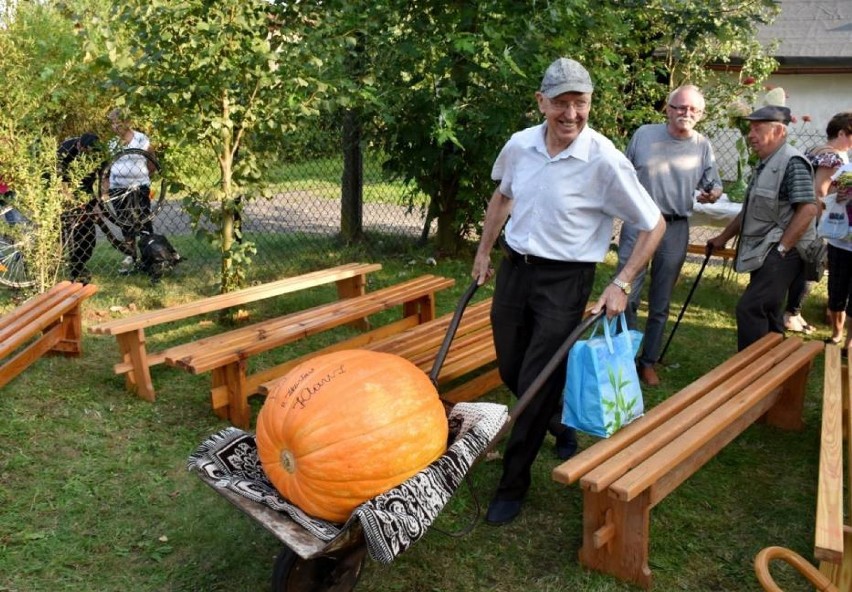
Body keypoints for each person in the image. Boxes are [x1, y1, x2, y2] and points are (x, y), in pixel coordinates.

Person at [470, 57, 665, 526]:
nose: (571, 114)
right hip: (516, 270)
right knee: (513, 366)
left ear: (590, 103)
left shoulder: (605, 161)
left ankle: (513, 483)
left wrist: (622, 282)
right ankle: (557, 420)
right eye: (561, 102)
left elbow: (653, 224)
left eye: (580, 102)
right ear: (542, 102)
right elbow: (503, 196)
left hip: (565, 280)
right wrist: (483, 252)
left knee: (535, 382)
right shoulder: (520, 146)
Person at [616, 85, 723, 386]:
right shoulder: (644, 135)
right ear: (668, 107)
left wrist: (713, 192)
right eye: (680, 107)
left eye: (693, 110)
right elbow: (622, 172)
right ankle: (623, 359)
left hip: (675, 227)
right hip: (639, 223)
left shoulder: (703, 145)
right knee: (626, 293)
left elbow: (713, 183)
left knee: (660, 301)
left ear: (700, 115)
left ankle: (648, 361)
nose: (685, 113)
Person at [707, 105, 818, 351]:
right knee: (767, 310)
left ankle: (750, 374)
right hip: (766, 249)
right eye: (750, 129)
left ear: (779, 131)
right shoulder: (766, 162)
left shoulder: (792, 162)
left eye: (758, 129)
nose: (751, 135)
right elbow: (750, 210)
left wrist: (781, 248)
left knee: (751, 308)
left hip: (782, 252)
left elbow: (809, 209)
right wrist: (723, 237)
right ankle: (773, 370)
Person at [784, 112, 852, 339]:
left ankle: (794, 312)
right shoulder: (834, 157)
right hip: (816, 218)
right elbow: (820, 190)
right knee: (809, 266)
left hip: (803, 213)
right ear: (842, 133)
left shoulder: (815, 150)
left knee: (801, 264)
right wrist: (823, 221)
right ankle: (791, 313)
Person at [104, 108, 155, 270]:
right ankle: (131, 256)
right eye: (112, 123)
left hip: (139, 187)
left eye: (117, 123)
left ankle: (149, 254)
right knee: (125, 223)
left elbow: (152, 162)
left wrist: (142, 178)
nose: (114, 127)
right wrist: (106, 188)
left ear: (127, 122)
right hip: (117, 188)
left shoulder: (141, 139)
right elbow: (108, 167)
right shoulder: (112, 144)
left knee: (143, 220)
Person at [58, 133, 102, 283]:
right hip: (63, 191)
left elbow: (105, 177)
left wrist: (99, 201)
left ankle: (78, 266)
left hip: (86, 192)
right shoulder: (65, 149)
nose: (84, 153)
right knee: (62, 233)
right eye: (82, 150)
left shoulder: (99, 153)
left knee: (87, 235)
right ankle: (49, 265)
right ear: (79, 145)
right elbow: (58, 179)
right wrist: (70, 199)